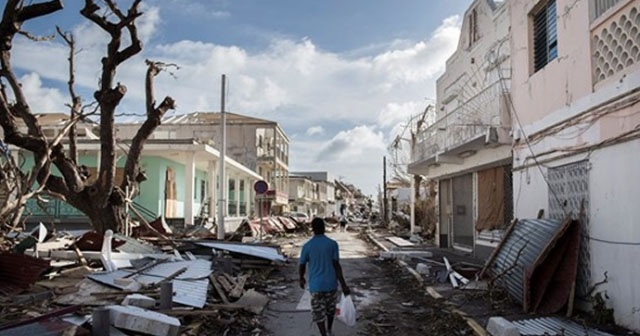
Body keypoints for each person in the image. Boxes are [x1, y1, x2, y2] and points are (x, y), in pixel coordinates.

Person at [299, 218, 351, 336]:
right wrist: (344, 285)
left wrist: (301, 278)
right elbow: (336, 265)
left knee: (318, 313)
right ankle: (329, 329)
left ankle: (323, 334)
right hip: (331, 284)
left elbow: (302, 265)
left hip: (316, 286)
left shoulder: (307, 246)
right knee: (330, 310)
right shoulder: (332, 244)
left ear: (312, 229)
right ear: (323, 228)